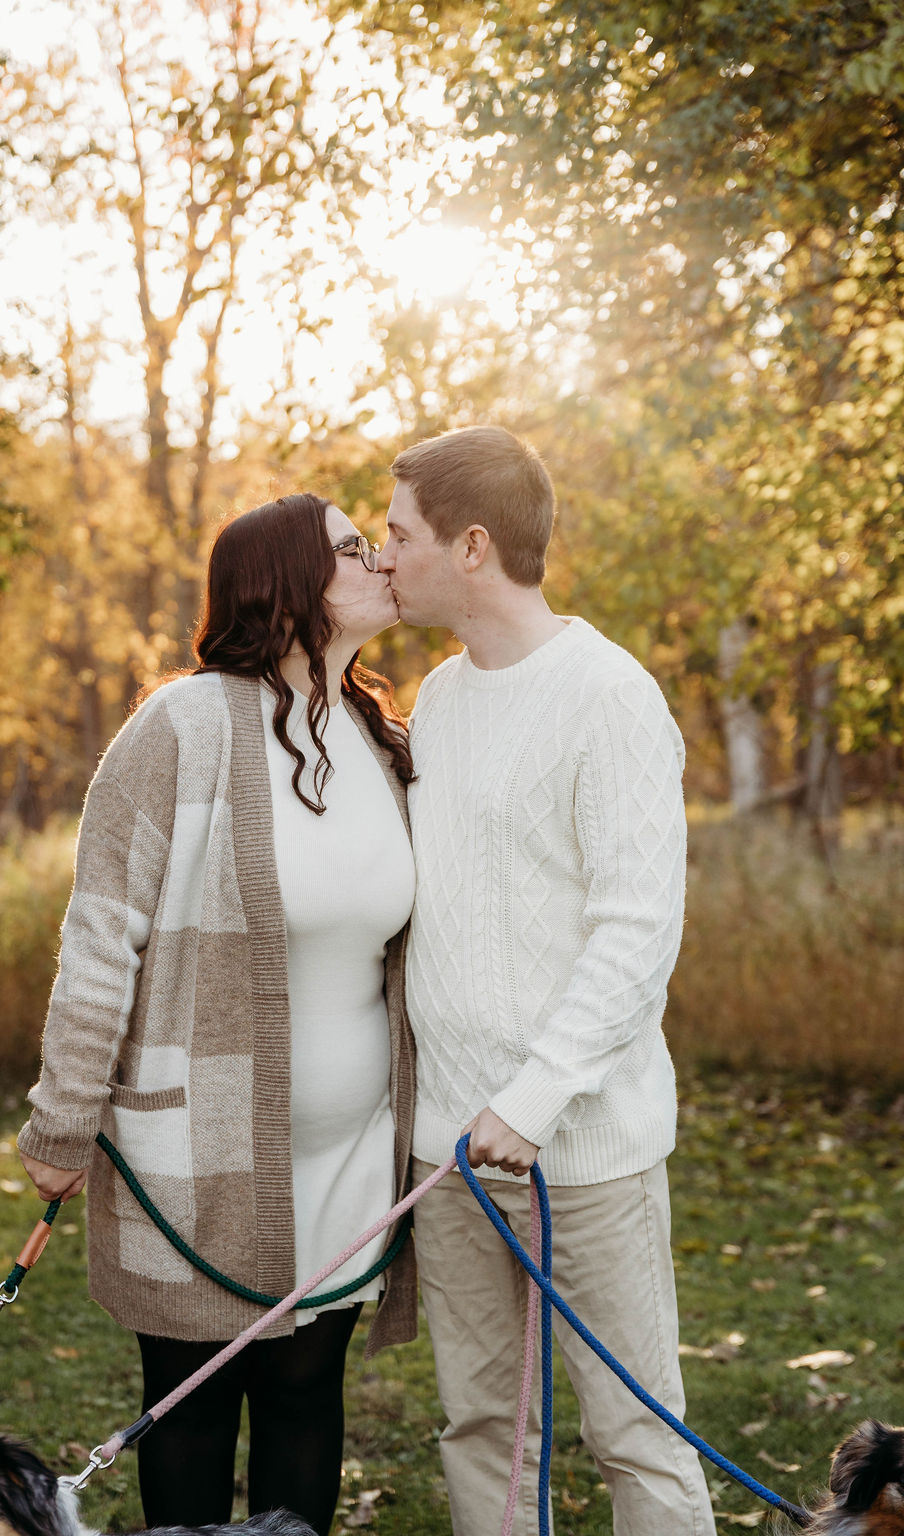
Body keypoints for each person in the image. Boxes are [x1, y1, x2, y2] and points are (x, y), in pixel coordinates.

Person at [17, 493, 417, 1536]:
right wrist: (63, 1117)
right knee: (192, 1404)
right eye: (352, 548)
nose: (379, 561)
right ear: (287, 584)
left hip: (349, 1153)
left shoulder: (378, 736)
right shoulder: (179, 727)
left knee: (306, 1392)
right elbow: (101, 934)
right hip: (197, 1152)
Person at [377, 426, 717, 1536]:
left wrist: (530, 1102)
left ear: (471, 546)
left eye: (400, 534)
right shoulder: (439, 698)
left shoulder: (609, 696)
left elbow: (637, 933)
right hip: (448, 1153)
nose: (384, 556)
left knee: (636, 1435)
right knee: (482, 1430)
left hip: (582, 1149)